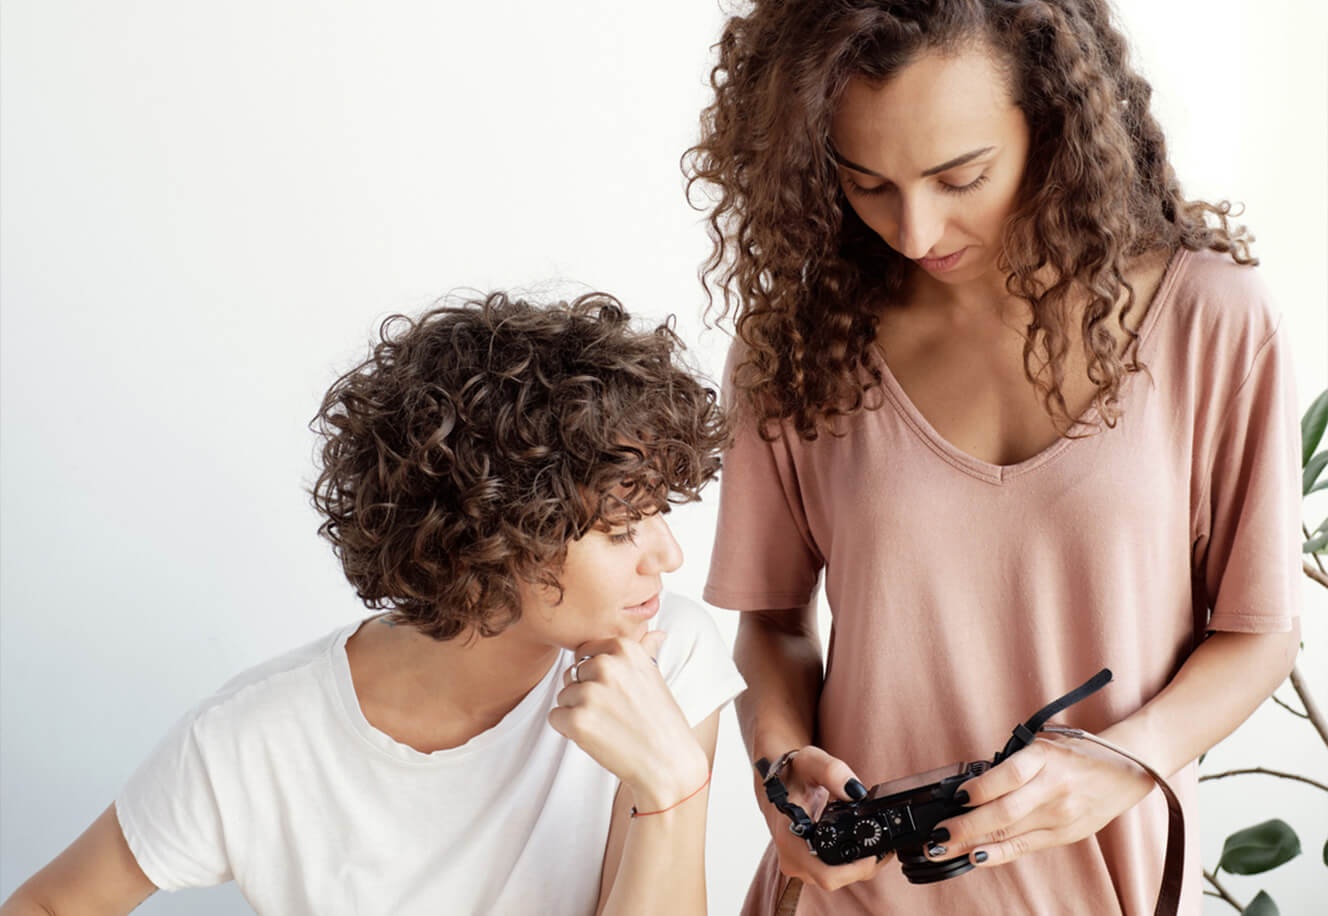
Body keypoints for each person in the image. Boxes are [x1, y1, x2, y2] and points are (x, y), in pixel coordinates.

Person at [685, 1, 1302, 913]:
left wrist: (1121, 766)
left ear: (1050, 122)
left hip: (1099, 891)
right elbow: (772, 622)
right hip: (850, 895)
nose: (915, 230)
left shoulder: (1211, 320)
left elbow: (1257, 632)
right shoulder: (799, 346)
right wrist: (782, 777)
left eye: (959, 176)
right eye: (867, 183)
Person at [1, 292, 745, 916]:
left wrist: (672, 785)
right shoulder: (255, 740)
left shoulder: (664, 654)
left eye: (659, 512)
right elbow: (48, 906)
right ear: (490, 532)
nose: (669, 557)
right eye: (620, 529)